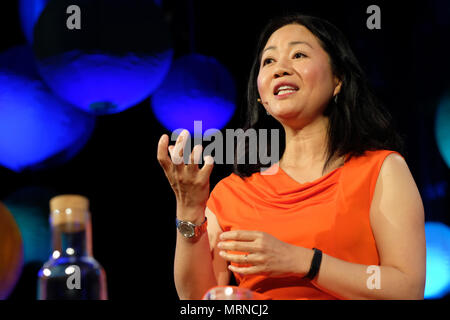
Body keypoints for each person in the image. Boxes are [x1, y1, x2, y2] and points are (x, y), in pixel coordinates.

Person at [157, 13, 426, 300]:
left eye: (298, 55)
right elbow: (198, 301)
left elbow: (406, 288)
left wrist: (304, 262)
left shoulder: (381, 170)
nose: (280, 69)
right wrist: (189, 210)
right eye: (268, 61)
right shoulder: (231, 194)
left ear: (338, 79)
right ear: (261, 98)